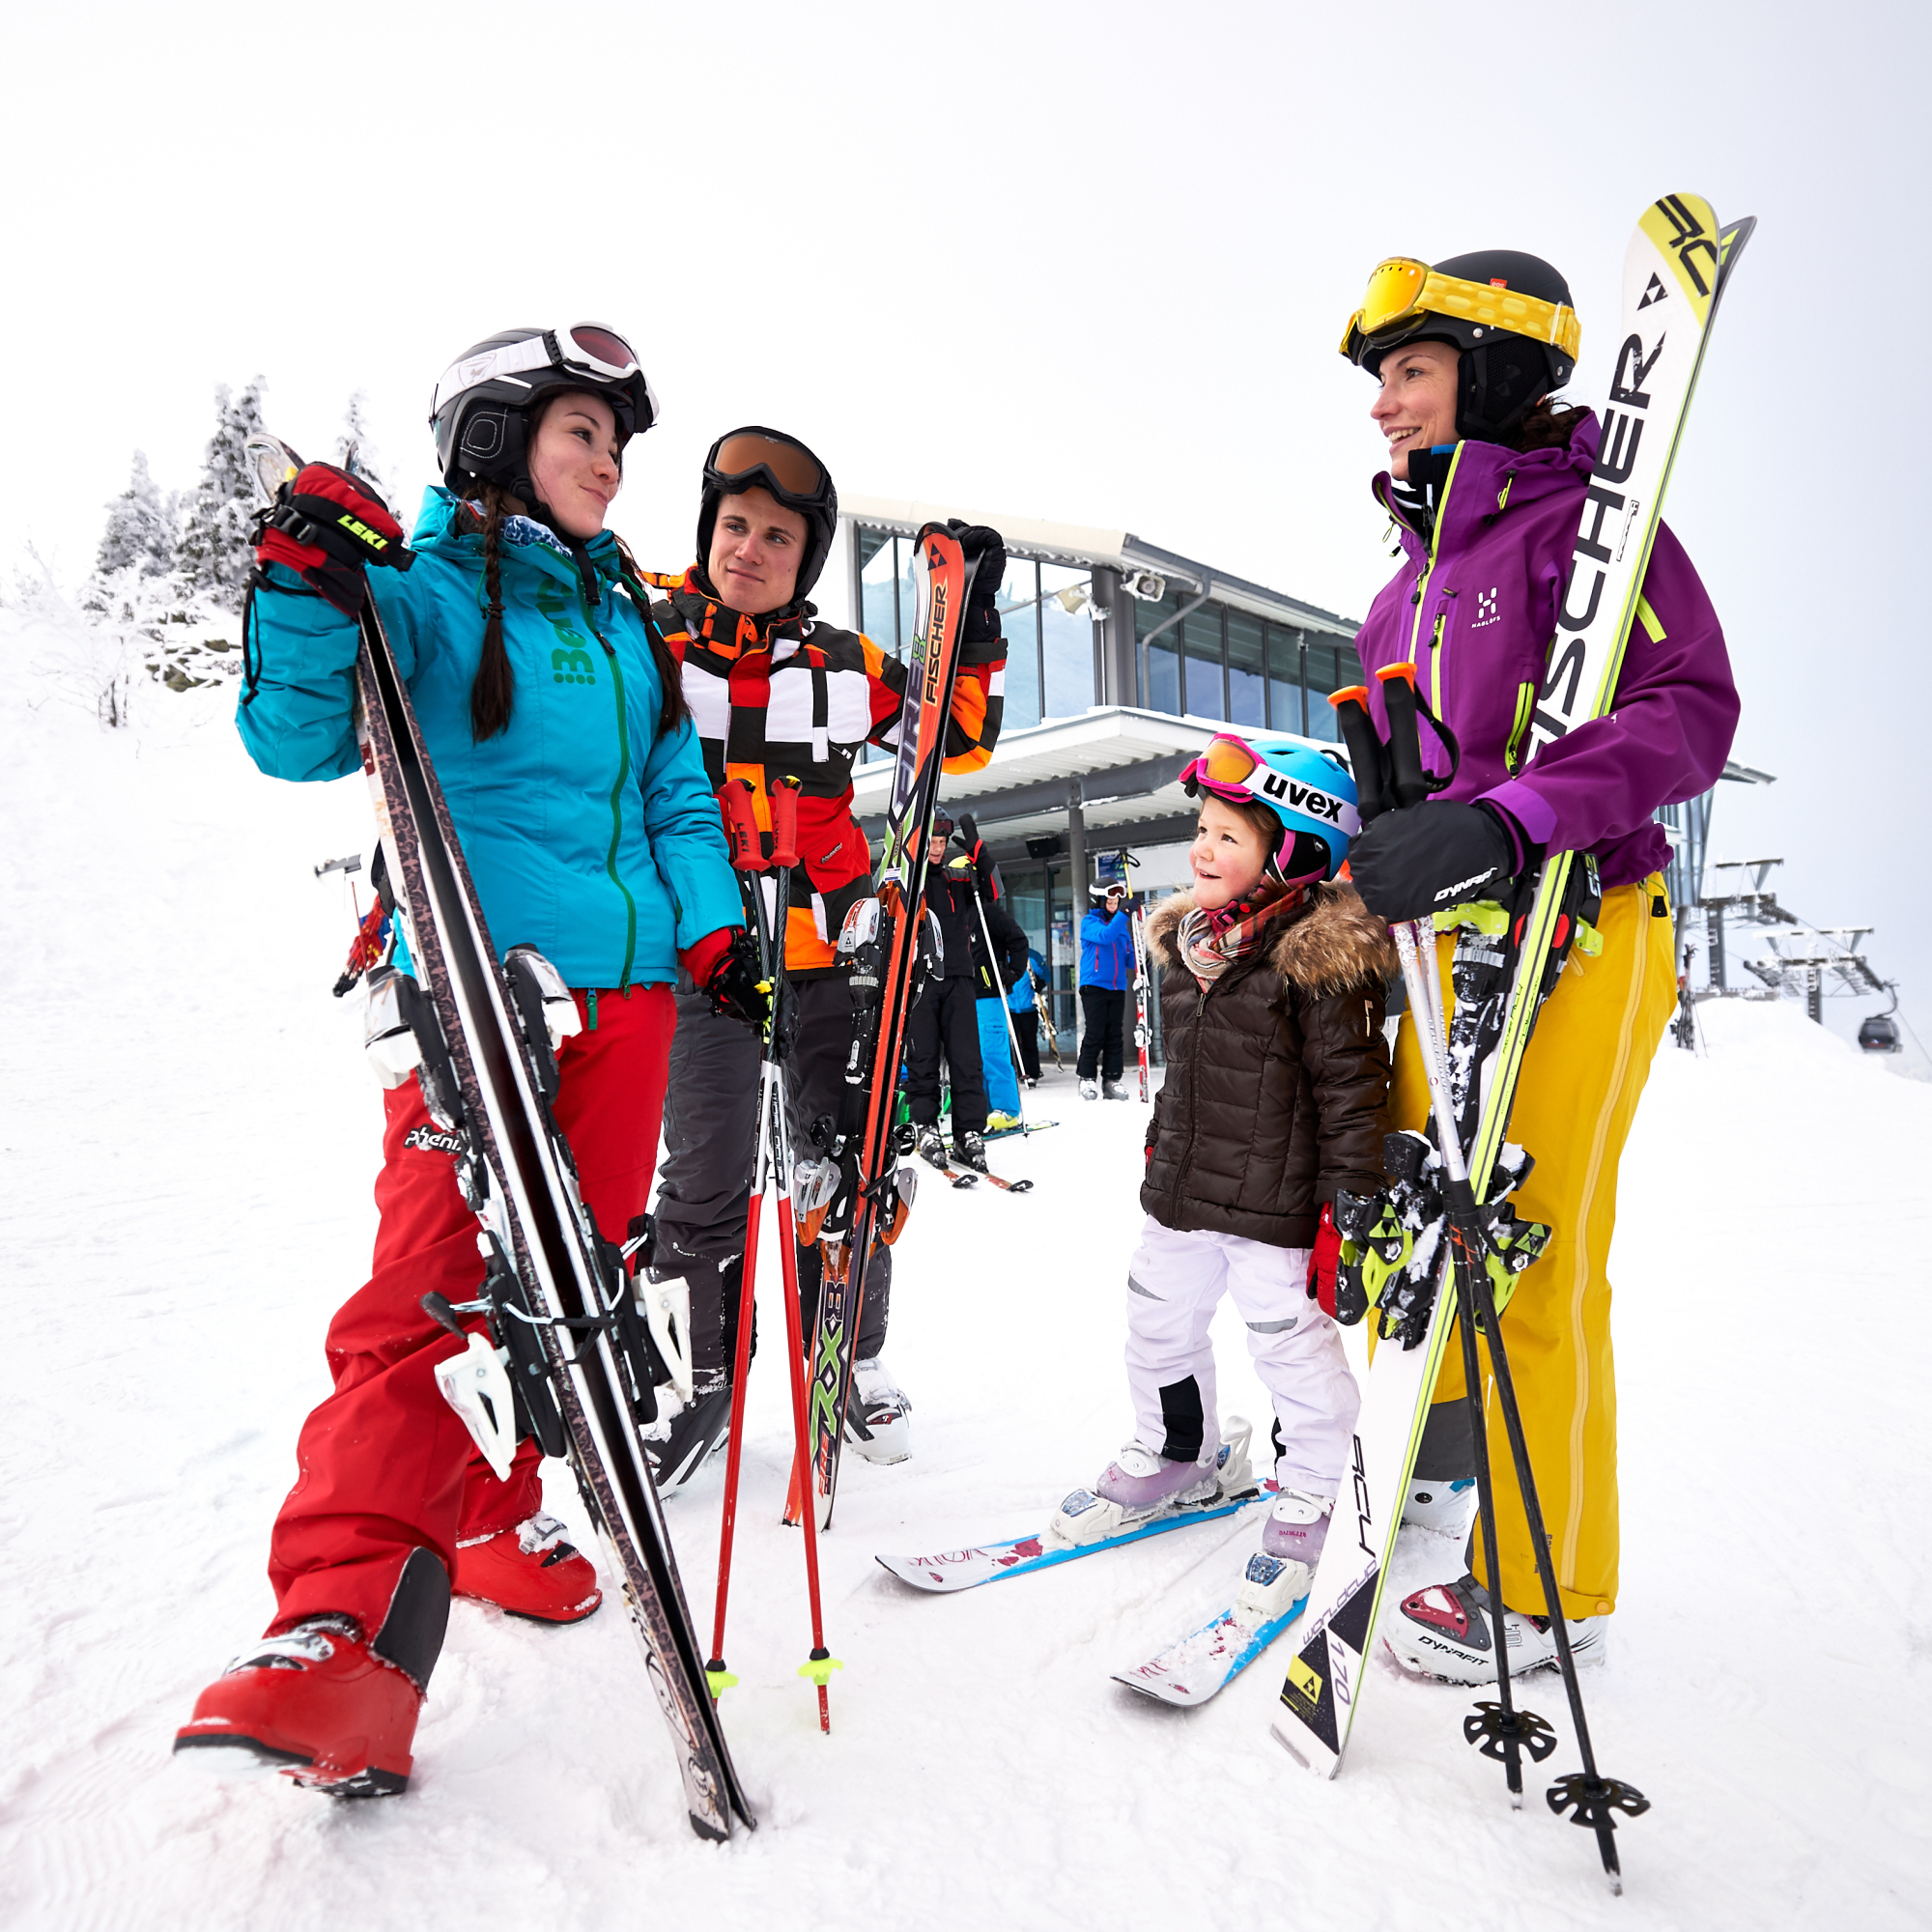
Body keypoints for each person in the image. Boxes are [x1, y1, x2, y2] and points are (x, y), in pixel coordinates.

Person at [174, 327, 757, 1796]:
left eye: (619, 448)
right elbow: (299, 739)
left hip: (624, 1004)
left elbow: (673, 791)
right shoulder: (425, 595)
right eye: (582, 437)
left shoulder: (627, 619)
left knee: (570, 1281)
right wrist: (309, 587)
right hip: (477, 994)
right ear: (497, 439)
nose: (610, 469)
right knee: (435, 1289)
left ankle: (493, 1521)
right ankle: (342, 1633)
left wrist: (712, 929)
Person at [1337, 248, 1738, 1681]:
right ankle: (1436, 1478)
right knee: (1425, 1221)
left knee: (1538, 1243)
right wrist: (1387, 841)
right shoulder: (1401, 596)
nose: (1383, 405)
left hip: (1592, 916)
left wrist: (1510, 822)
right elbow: (1418, 791)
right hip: (1457, 957)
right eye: (1380, 380)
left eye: (1411, 372)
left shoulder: (1593, 532)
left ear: (1494, 375)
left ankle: (1550, 1585)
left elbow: (1691, 709)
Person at [646, 430, 1008, 1473]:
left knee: (849, 1161)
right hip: (703, 949)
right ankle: (701, 1374)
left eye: (774, 536)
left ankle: (845, 1354)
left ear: (803, 558)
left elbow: (954, 736)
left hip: (821, 948)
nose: (747, 550)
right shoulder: (648, 635)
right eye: (733, 527)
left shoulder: (843, 667)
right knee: (707, 1168)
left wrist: (970, 631)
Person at [1054, 737, 1391, 1607]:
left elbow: (1354, 1089)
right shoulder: (1188, 954)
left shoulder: (1317, 965)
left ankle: (1311, 1482)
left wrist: (1351, 1195)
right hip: (1185, 1193)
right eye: (1201, 829)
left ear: (1296, 853)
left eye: (1229, 837)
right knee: (1155, 1320)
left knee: (1288, 1349)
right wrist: (1162, 1144)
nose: (1202, 849)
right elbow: (1188, 1076)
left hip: (1273, 1205)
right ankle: (1178, 1455)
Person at [907, 816, 1029, 1164]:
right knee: (924, 1058)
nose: (937, 849)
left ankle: (968, 1132)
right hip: (921, 978)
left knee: (967, 1060)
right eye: (931, 841)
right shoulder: (907, 878)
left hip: (960, 977)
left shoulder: (956, 878)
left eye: (942, 843)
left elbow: (992, 890)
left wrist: (977, 848)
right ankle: (925, 1125)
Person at [1077, 880, 1138, 1098]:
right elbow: (1105, 936)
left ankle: (1112, 1079)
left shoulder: (1121, 928)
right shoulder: (1089, 922)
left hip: (1117, 986)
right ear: (1100, 901)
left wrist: (1144, 956)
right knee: (1095, 1032)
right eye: (1110, 901)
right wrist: (1125, 914)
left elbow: (1130, 959)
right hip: (1093, 985)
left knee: (1115, 1035)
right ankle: (1087, 1079)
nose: (1114, 905)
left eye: (1117, 902)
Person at [1009, 944, 1049, 1084]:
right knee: (1011, 1043)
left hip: (1028, 1007)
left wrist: (1040, 983)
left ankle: (1032, 1073)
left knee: (1029, 1042)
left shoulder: (1031, 956)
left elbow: (1046, 973)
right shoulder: (1002, 957)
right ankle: (1016, 1072)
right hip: (1010, 1008)